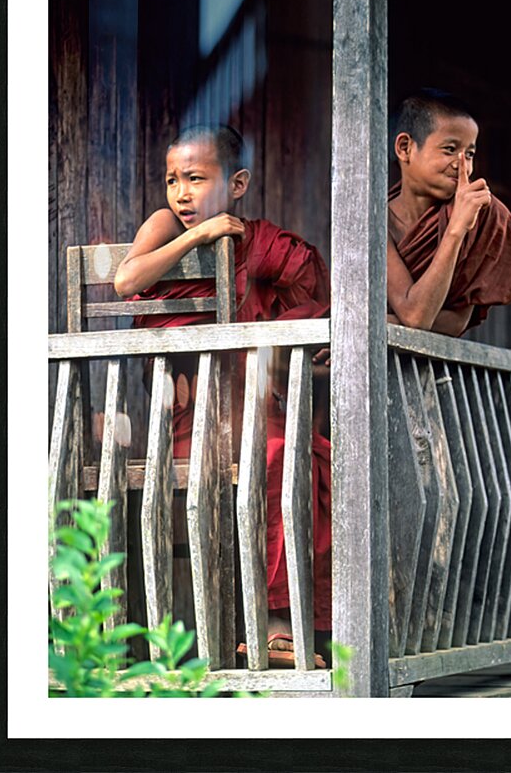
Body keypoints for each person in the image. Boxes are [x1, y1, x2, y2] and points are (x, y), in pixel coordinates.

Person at [114, 124, 331, 668]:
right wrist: (194, 237)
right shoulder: (167, 224)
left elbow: (311, 284)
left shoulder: (253, 240)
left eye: (195, 178)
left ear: (236, 183)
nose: (181, 192)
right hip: (189, 421)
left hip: (249, 408)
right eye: (172, 180)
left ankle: (284, 625)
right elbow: (125, 281)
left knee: (297, 455)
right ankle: (277, 625)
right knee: (278, 454)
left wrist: (308, 333)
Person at [386, 89, 511, 333]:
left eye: (470, 153)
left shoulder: (481, 214)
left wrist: (456, 229)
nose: (462, 165)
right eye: (449, 149)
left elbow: (451, 322)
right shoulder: (374, 222)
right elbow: (417, 315)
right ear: (405, 148)